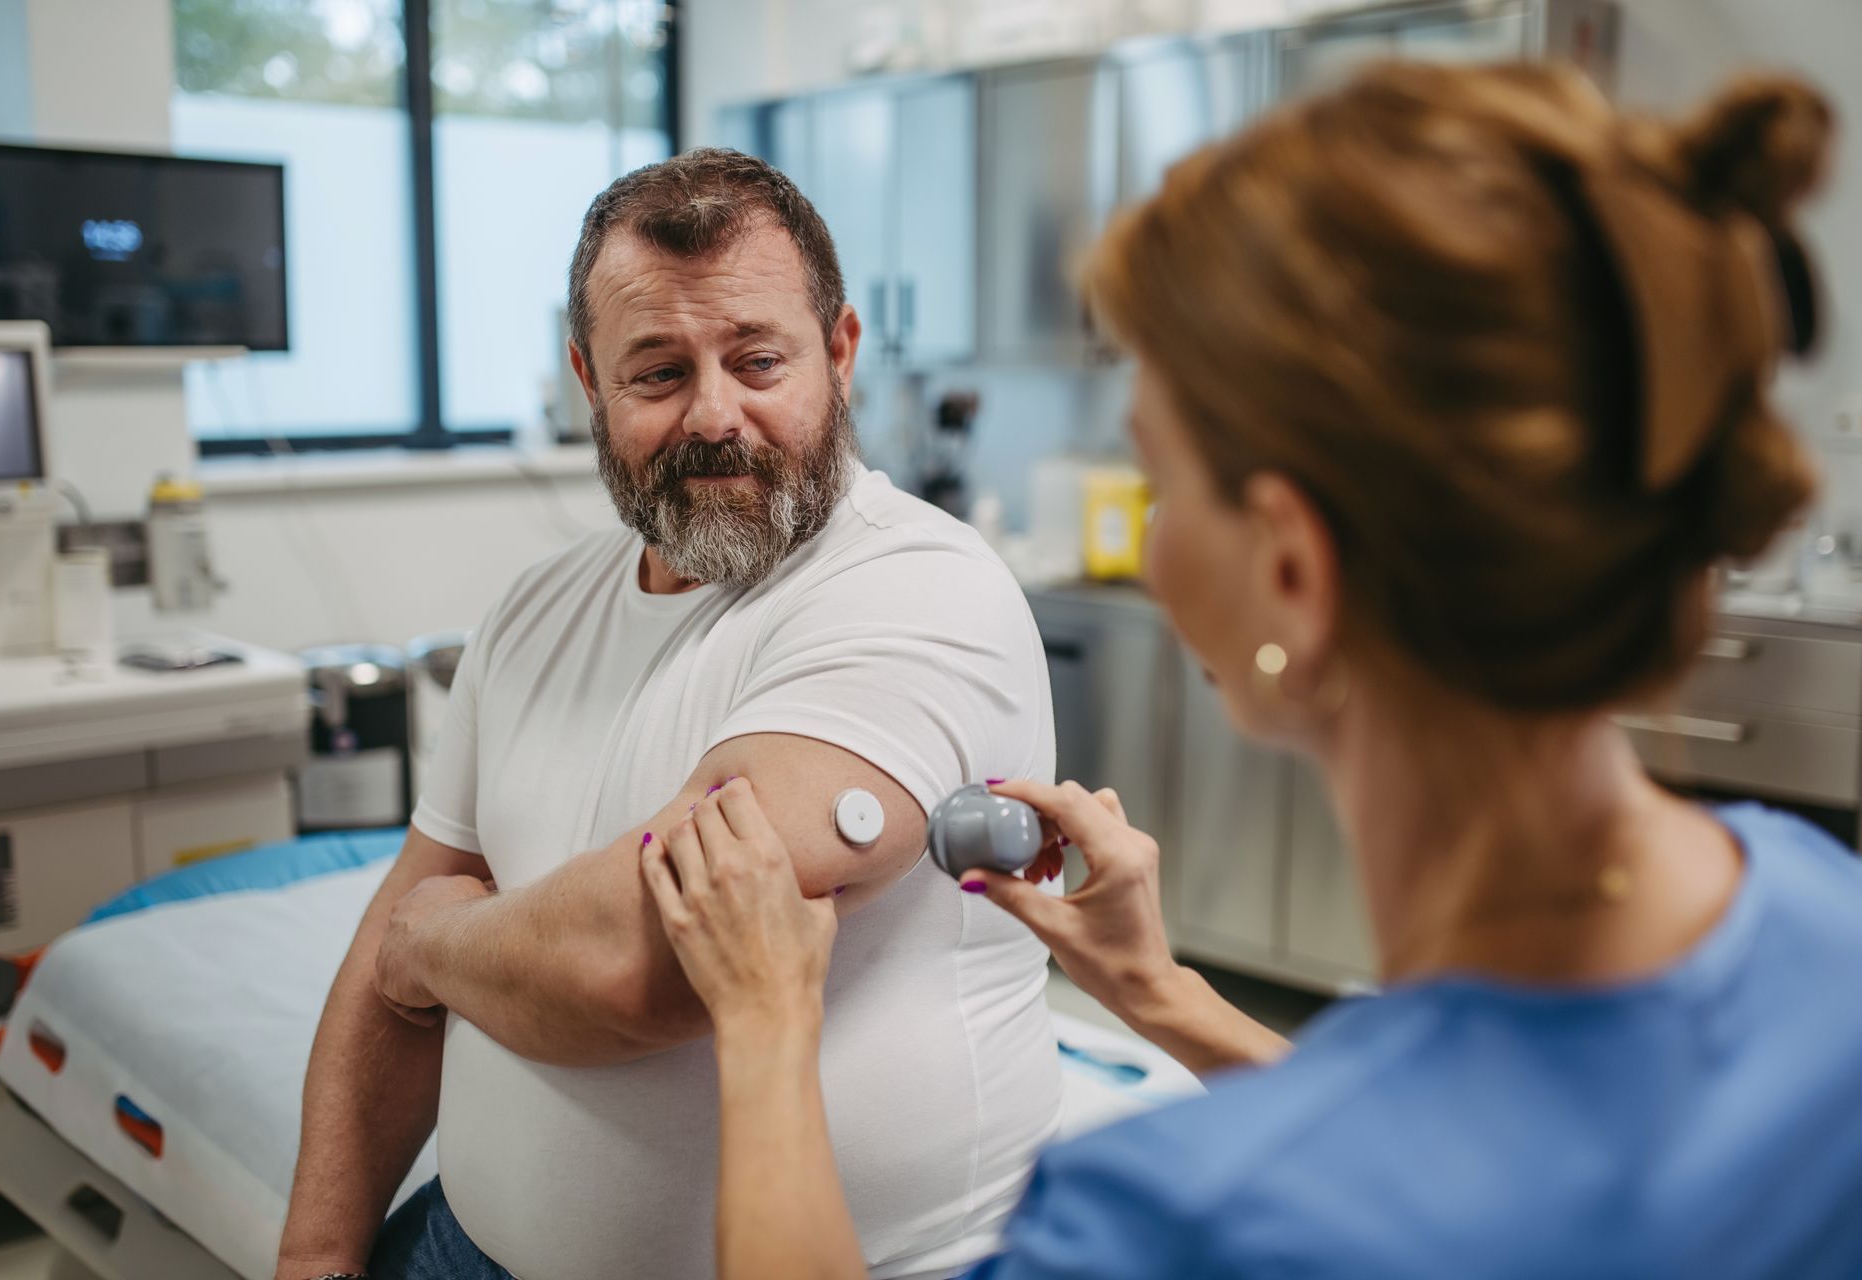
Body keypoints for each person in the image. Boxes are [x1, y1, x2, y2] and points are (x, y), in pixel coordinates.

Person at [639, 64, 1862, 1279]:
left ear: (1291, 572)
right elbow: (1470, 1152)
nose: (1155, 537)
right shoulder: (1821, 920)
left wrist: (762, 1022)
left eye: (1162, 475)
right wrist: (1165, 993)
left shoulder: (1176, 1224)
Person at [274, 149, 1066, 1280]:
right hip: (467, 1245)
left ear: (839, 354)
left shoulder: (921, 588)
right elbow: (397, 932)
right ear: (586, 381)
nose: (714, 414)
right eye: (655, 373)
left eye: (758, 360)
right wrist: (315, 1255)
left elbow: (646, 961)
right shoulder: (534, 610)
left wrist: (437, 943)